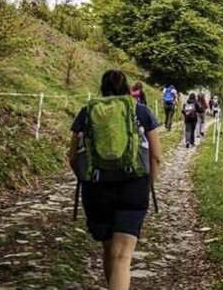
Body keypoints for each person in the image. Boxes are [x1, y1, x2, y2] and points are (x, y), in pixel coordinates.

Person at [68, 70, 161, 290]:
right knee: (122, 257)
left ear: (102, 87)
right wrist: (149, 184)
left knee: (109, 250)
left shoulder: (86, 112)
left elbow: (72, 157)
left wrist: (87, 179)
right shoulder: (142, 112)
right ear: (127, 88)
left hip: (96, 190)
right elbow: (156, 156)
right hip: (133, 187)